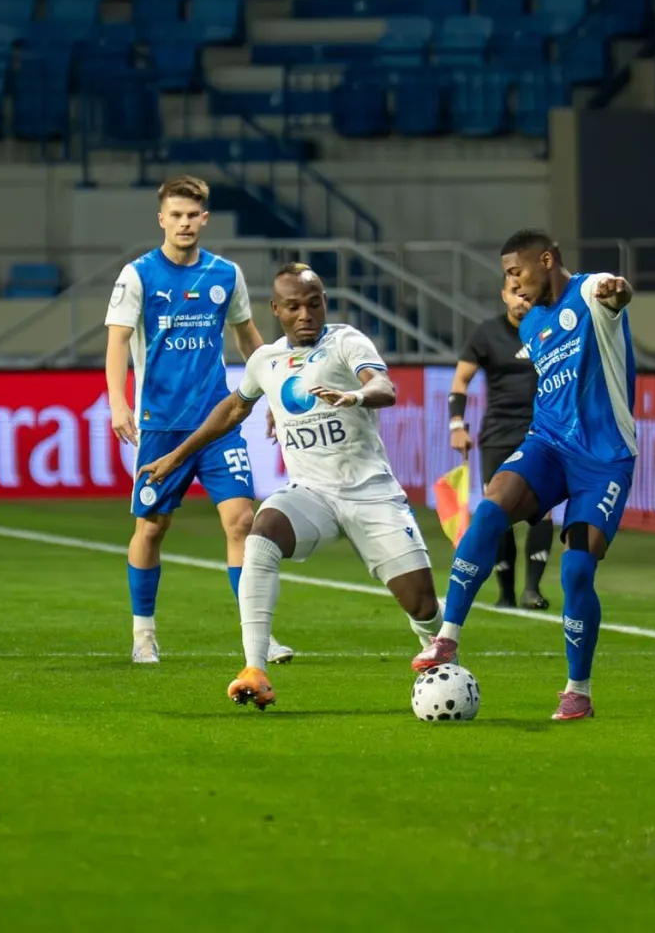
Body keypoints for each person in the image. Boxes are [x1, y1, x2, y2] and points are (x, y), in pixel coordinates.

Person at [138, 263, 443, 709]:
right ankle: (254, 668)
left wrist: (356, 396)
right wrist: (177, 455)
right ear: (276, 310)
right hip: (311, 494)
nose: (306, 314)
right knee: (261, 533)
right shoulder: (266, 361)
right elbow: (232, 410)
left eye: (314, 303)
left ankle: (437, 650)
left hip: (371, 493)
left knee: (422, 604)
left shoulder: (345, 341)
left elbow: (383, 386)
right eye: (295, 306)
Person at [412, 229, 636, 722]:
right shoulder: (532, 324)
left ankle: (578, 690)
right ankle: (447, 637)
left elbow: (616, 292)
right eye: (507, 276)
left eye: (516, 271)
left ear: (547, 260)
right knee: (492, 506)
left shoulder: (589, 291)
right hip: (547, 445)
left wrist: (616, 293)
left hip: (604, 458)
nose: (512, 283)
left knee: (577, 569)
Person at [104, 175, 294, 666]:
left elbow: (248, 337)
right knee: (152, 527)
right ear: (162, 218)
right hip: (161, 423)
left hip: (218, 422)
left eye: (193, 216)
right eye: (177, 215)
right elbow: (118, 341)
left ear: (204, 220)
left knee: (243, 521)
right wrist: (118, 403)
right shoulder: (138, 275)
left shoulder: (225, 275)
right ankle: (143, 633)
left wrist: (271, 393)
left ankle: (258, 638)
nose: (185, 223)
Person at [449, 280, 555, 610]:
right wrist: (456, 425)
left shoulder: (551, 330)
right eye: (515, 293)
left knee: (543, 510)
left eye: (527, 293)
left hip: (542, 433)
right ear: (504, 296)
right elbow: (460, 381)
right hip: (497, 435)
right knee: (497, 511)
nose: (521, 299)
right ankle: (505, 593)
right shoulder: (486, 333)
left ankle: (532, 591)